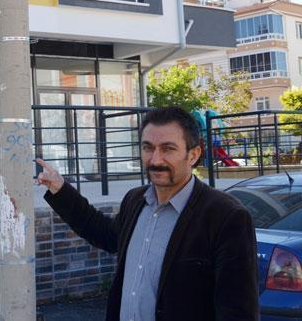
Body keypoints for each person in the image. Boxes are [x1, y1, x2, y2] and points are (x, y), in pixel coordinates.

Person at [37, 106, 258, 321]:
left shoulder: (225, 216)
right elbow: (105, 234)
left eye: (168, 149)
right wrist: (60, 189)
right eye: (148, 148)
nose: (155, 159)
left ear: (193, 155)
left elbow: (238, 311)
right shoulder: (135, 200)